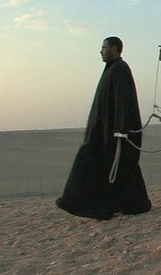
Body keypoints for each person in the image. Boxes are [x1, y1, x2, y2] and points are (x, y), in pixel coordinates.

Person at [56, 36, 151, 220]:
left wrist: (121, 129)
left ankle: (74, 201)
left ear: (115, 48)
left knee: (94, 162)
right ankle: (133, 204)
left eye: (104, 47)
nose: (101, 51)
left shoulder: (120, 69)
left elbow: (124, 100)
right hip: (104, 131)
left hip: (112, 133)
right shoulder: (112, 69)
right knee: (120, 166)